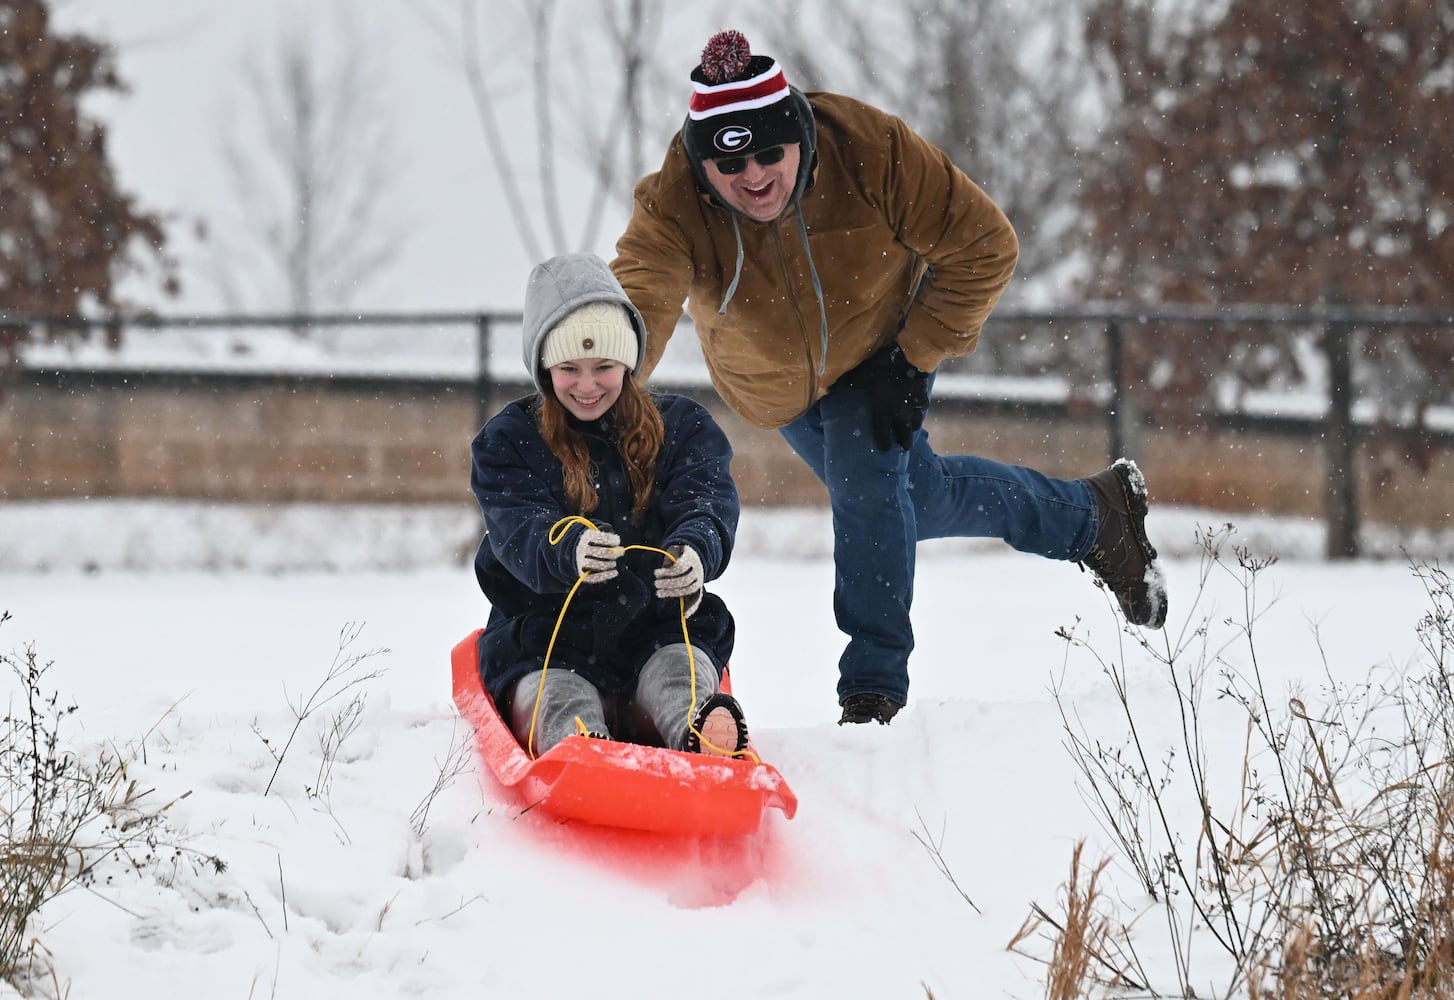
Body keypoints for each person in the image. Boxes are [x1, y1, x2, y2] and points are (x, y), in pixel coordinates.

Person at [611, 29, 1168, 727]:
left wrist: (912, 358)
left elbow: (985, 244)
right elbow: (642, 294)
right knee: (915, 500)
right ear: (702, 166)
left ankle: (872, 693)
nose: (753, 177)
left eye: (768, 153)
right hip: (774, 385)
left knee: (866, 484)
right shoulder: (676, 201)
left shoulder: (870, 149)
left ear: (800, 138)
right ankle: (1094, 516)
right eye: (730, 166)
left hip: (879, 355)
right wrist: (605, 377)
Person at [469, 251, 749, 759]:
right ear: (544, 366)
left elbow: (705, 498)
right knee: (555, 693)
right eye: (569, 368)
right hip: (549, 637)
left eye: (605, 366)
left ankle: (700, 727)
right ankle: (579, 747)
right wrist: (566, 547)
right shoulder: (509, 442)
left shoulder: (681, 427)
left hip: (655, 626)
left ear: (629, 362)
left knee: (677, 674)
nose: (587, 385)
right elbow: (518, 524)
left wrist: (695, 552)